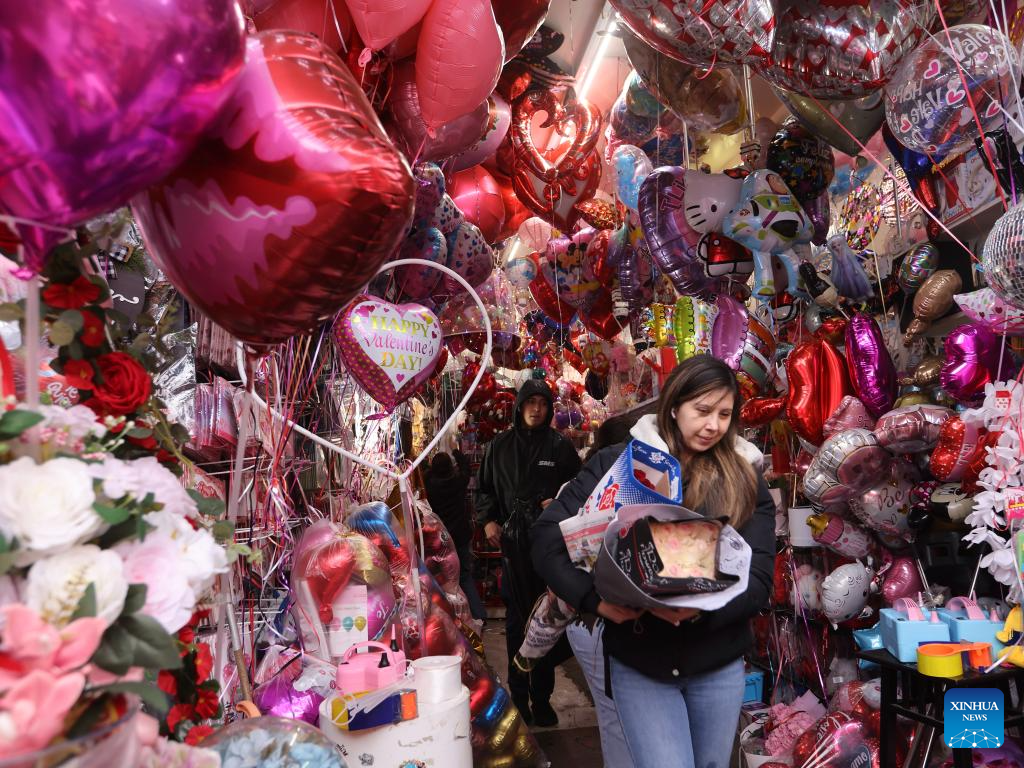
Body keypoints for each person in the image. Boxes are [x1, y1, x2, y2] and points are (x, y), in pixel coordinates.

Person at [532, 357, 777, 768]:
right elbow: (546, 537)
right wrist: (594, 600)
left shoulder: (746, 478)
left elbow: (759, 581)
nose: (713, 425)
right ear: (674, 405)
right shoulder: (620, 462)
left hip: (717, 661)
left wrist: (696, 611)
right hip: (640, 663)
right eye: (702, 411)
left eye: (724, 414)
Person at [476, 378, 582, 727]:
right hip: (512, 549)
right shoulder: (499, 446)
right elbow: (485, 489)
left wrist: (561, 503)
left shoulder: (560, 448)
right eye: (530, 402)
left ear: (550, 408)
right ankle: (519, 696)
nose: (536, 408)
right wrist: (489, 521)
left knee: (549, 622)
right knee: (518, 623)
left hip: (549, 549)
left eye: (542, 402)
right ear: (520, 406)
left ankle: (543, 697)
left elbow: (581, 492)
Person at [564, 402, 656, 768]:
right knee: (618, 716)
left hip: (602, 619)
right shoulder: (603, 487)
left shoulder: (645, 486)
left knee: (621, 718)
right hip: (598, 620)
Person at [423, 449, 487, 622]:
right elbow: (466, 468)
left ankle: (449, 617)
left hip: (440, 539)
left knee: (442, 579)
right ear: (451, 467)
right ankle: (478, 613)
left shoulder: (429, 484)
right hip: (460, 535)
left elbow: (424, 471)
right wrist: (456, 453)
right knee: (465, 575)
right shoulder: (458, 482)